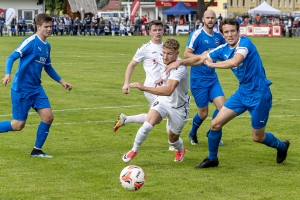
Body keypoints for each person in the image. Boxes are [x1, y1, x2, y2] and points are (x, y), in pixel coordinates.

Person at [165, 18, 289, 168]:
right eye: (226, 32)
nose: (230, 34)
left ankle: (282, 146)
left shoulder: (244, 44)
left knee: (257, 137)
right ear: (222, 34)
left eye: (232, 31)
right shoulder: (223, 49)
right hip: (242, 93)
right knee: (215, 124)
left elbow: (235, 62)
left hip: (260, 95)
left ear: (238, 32)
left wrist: (213, 64)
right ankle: (212, 159)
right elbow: (200, 59)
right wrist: (179, 62)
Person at [1, 13, 72, 158]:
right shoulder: (30, 41)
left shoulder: (47, 46)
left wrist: (62, 81)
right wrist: (7, 74)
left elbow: (48, 67)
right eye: (46, 27)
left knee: (48, 117)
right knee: (18, 125)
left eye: (51, 26)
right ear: (38, 27)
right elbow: (11, 57)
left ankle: (36, 150)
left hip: (36, 89)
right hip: (22, 89)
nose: (49, 29)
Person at [122, 38, 189, 163]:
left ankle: (180, 149)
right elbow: (164, 74)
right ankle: (134, 150)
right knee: (147, 125)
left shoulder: (180, 69)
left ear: (176, 54)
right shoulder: (162, 59)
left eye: (169, 54)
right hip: (163, 100)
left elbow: (168, 90)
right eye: (163, 52)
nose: (165, 56)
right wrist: (161, 78)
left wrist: (143, 88)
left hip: (179, 107)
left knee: (172, 139)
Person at [113, 20, 175, 150]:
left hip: (165, 87)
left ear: (163, 30)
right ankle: (172, 145)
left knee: (157, 118)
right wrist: (126, 83)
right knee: (170, 112)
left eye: (160, 29)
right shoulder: (145, 48)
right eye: (154, 30)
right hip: (151, 88)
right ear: (149, 32)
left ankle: (126, 119)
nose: (158, 32)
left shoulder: (166, 48)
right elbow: (131, 65)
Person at [185, 10, 225, 146]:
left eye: (212, 18)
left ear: (215, 20)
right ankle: (192, 132)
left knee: (223, 109)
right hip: (198, 80)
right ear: (203, 19)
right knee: (203, 113)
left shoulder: (219, 37)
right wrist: (201, 57)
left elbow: (227, 49)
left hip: (212, 78)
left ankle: (212, 132)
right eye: (207, 17)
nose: (210, 20)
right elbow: (186, 55)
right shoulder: (197, 34)